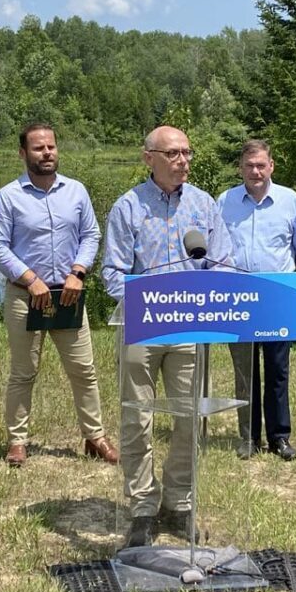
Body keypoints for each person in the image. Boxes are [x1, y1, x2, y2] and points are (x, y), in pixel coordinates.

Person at [102, 125, 234, 548]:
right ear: (149, 159)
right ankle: (142, 507)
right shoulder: (128, 207)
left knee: (190, 416)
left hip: (191, 327)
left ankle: (179, 504)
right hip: (142, 325)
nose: (183, 161)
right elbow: (111, 273)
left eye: (187, 153)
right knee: (136, 416)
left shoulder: (204, 204)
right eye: (173, 153)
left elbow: (224, 262)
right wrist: (152, 296)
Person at [0, 123, 119, 468]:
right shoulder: (9, 196)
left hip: (69, 295)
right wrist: (30, 279)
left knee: (84, 370)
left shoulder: (76, 191)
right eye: (38, 148)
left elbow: (91, 234)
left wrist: (78, 272)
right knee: (23, 372)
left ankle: (95, 437)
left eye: (51, 147)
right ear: (23, 154)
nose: (47, 153)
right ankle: (17, 441)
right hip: (25, 297)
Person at [216, 139, 296, 462]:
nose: (256, 171)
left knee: (277, 369)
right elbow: (215, 245)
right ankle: (248, 438)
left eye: (261, 165)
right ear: (240, 168)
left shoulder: (290, 201)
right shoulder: (225, 201)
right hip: (238, 297)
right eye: (249, 166)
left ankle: (279, 437)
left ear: (271, 166)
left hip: (278, 295)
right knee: (245, 371)